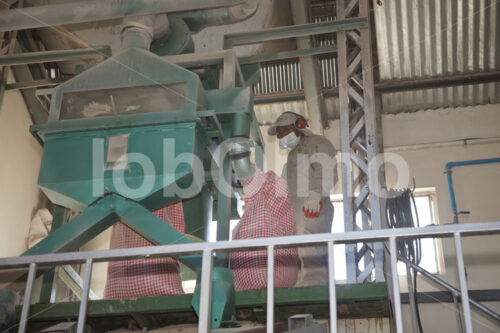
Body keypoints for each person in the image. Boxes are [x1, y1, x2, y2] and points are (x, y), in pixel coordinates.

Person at [267, 111, 338, 287]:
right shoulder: (292, 156)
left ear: (299, 125)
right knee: (299, 250)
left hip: (312, 206)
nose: (281, 135)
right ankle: (302, 284)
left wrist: (316, 194)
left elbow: (328, 170)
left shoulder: (316, 142)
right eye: (279, 133)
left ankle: (316, 285)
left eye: (284, 130)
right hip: (297, 211)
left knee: (312, 246)